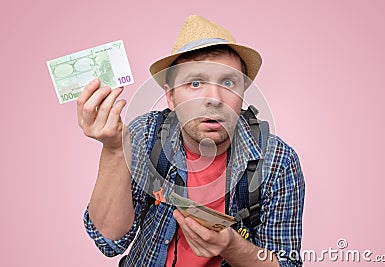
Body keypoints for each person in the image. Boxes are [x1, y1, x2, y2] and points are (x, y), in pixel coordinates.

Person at [78, 15, 305, 267]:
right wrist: (113, 149)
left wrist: (232, 246)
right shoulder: (145, 135)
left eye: (228, 83)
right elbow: (109, 241)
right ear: (171, 98)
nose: (214, 99)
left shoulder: (277, 161)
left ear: (242, 94)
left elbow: (287, 264)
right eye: (195, 83)